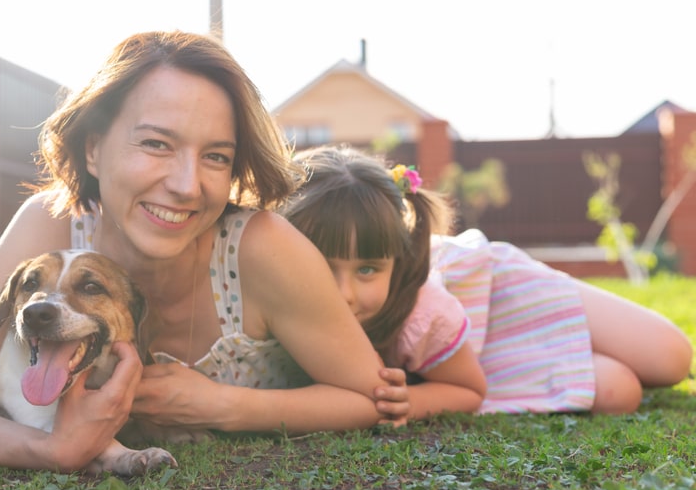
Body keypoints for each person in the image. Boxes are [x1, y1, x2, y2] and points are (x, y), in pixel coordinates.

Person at [0, 31, 405, 472]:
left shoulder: (263, 248)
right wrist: (54, 451)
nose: (187, 185)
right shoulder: (52, 226)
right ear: (92, 148)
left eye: (216, 156)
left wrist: (224, 406)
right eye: (156, 144)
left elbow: (367, 398)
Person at [280, 144, 693, 420]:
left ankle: (564, 332)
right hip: (479, 357)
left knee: (672, 357)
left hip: (499, 292)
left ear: (397, 261)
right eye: (323, 267)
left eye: (366, 269)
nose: (344, 294)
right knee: (619, 392)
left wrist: (415, 402)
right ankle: (565, 356)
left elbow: (467, 390)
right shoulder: (271, 291)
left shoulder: (424, 311)